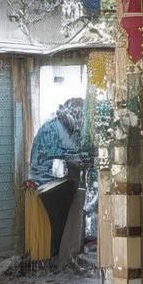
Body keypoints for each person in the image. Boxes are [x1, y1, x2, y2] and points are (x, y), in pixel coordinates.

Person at [28, 98, 92, 259]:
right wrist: (76, 159)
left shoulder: (68, 128)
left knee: (78, 198)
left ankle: (66, 252)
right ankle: (58, 255)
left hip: (58, 181)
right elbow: (59, 159)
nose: (80, 121)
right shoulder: (51, 129)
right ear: (69, 114)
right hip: (46, 181)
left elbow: (75, 152)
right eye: (78, 116)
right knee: (64, 214)